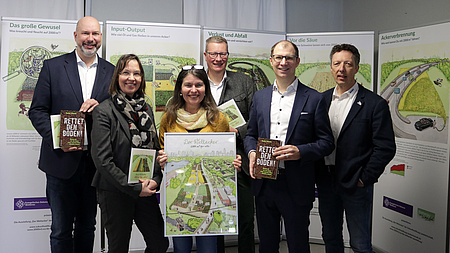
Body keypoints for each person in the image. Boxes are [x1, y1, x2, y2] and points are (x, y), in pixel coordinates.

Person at [28, 16, 115, 253]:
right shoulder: (53, 67)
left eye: (95, 34)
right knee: (60, 229)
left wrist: (102, 109)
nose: (90, 39)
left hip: (95, 165)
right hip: (60, 164)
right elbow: (37, 111)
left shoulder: (112, 72)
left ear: (100, 38)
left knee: (88, 226)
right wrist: (58, 140)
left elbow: (117, 117)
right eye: (85, 33)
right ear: (75, 36)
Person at [244, 40, 334, 253]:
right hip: (265, 182)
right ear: (271, 61)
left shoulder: (314, 98)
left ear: (297, 61)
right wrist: (252, 152)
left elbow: (326, 142)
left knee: (298, 245)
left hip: (296, 184)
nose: (283, 62)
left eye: (289, 57)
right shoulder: (261, 96)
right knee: (266, 245)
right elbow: (251, 135)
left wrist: (300, 152)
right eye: (279, 57)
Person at [315, 44, 396, 253]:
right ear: (331, 68)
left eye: (348, 64)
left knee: (360, 243)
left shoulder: (374, 104)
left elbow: (385, 147)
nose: (341, 69)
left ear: (357, 68)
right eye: (337, 64)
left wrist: (364, 178)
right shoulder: (321, 100)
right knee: (330, 238)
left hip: (356, 184)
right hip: (326, 181)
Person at [157, 65, 242, 253]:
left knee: (209, 249)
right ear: (180, 89)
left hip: (208, 199)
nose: (193, 90)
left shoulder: (219, 119)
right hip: (178, 193)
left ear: (206, 88)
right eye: (188, 85)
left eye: (199, 85)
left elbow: (227, 156)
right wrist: (162, 160)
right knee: (181, 249)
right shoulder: (168, 119)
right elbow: (163, 153)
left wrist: (233, 164)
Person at [90, 54, 169, 253]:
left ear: (142, 78)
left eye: (136, 73)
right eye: (126, 72)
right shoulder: (104, 111)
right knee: (119, 248)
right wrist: (133, 187)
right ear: (117, 76)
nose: (131, 78)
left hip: (145, 187)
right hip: (115, 191)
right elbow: (102, 160)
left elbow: (154, 149)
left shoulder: (146, 109)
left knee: (159, 243)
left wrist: (156, 180)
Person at [204, 35, 257, 253]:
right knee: (213, 219)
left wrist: (238, 131)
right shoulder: (196, 83)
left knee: (245, 219)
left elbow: (256, 119)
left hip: (241, 160)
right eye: (213, 54)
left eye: (223, 53)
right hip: (208, 161)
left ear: (228, 55)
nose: (218, 58)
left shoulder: (243, 81)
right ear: (205, 56)